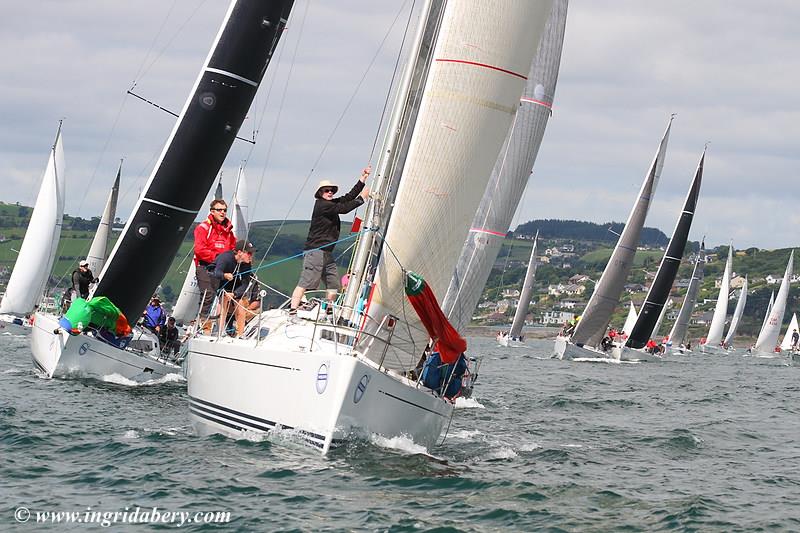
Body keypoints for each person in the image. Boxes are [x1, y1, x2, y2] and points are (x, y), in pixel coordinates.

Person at [289, 167, 370, 315]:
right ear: (320, 193)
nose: (330, 192)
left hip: (327, 253)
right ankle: (293, 309)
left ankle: (329, 311)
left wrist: (362, 179)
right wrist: (362, 199)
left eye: (332, 190)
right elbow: (345, 208)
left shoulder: (330, 204)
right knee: (307, 281)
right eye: (327, 190)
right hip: (316, 251)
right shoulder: (322, 205)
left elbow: (347, 198)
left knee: (333, 284)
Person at [194, 199, 237, 333]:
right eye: (220, 210)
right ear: (212, 211)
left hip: (222, 268)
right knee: (208, 294)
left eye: (225, 210)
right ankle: (204, 325)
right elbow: (199, 250)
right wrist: (219, 258)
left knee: (227, 296)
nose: (223, 212)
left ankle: (224, 327)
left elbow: (233, 249)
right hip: (205, 266)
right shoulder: (203, 228)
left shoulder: (228, 231)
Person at [213, 240, 260, 337]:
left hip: (234, 283)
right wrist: (224, 275)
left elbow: (245, 283)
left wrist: (234, 294)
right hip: (219, 281)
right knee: (223, 298)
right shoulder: (225, 258)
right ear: (239, 252)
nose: (251, 256)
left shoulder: (246, 264)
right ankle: (220, 331)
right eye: (249, 253)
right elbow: (216, 272)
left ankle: (240, 334)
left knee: (240, 303)